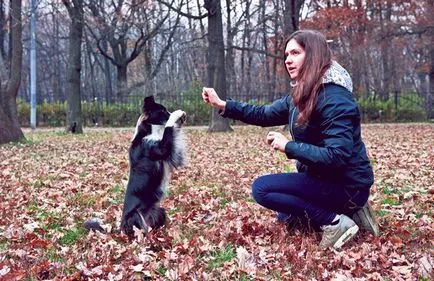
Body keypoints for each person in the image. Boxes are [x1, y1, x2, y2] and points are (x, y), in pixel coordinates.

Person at [201, 29, 379, 250]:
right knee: (286, 216)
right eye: (286, 55)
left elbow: (337, 157)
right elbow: (263, 114)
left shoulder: (335, 98)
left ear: (313, 55)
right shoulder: (302, 93)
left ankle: (336, 221)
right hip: (321, 178)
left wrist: (289, 146)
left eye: (295, 53)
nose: (288, 60)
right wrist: (223, 105)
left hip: (347, 186)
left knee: (262, 189)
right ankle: (338, 214)